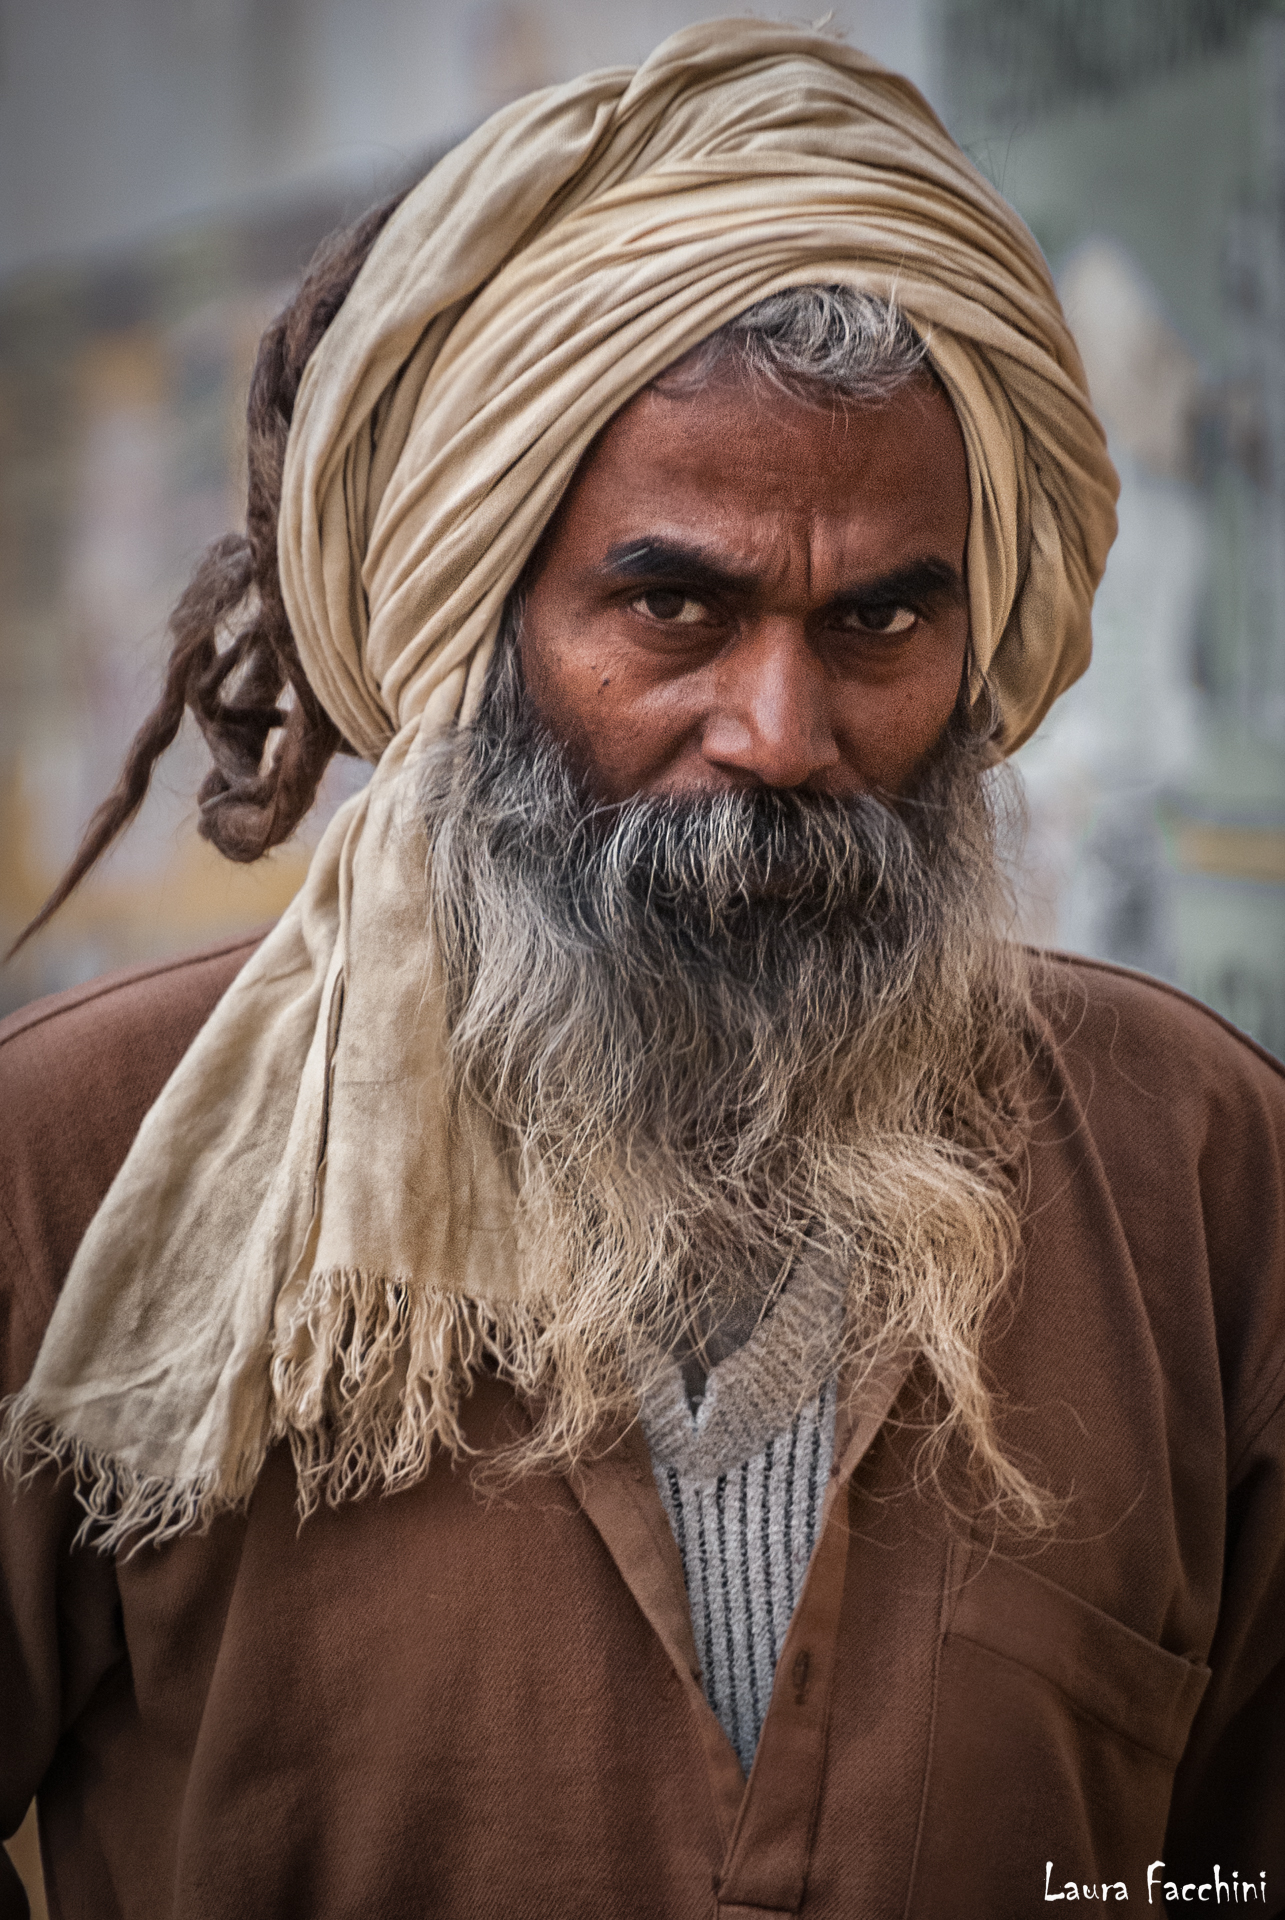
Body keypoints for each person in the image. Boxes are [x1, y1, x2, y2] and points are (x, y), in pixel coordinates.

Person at [2, 20, 1283, 1920]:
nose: (779, 726)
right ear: (476, 623)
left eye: (877, 619)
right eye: (670, 604)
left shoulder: (1194, 1169)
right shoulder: (73, 1162)